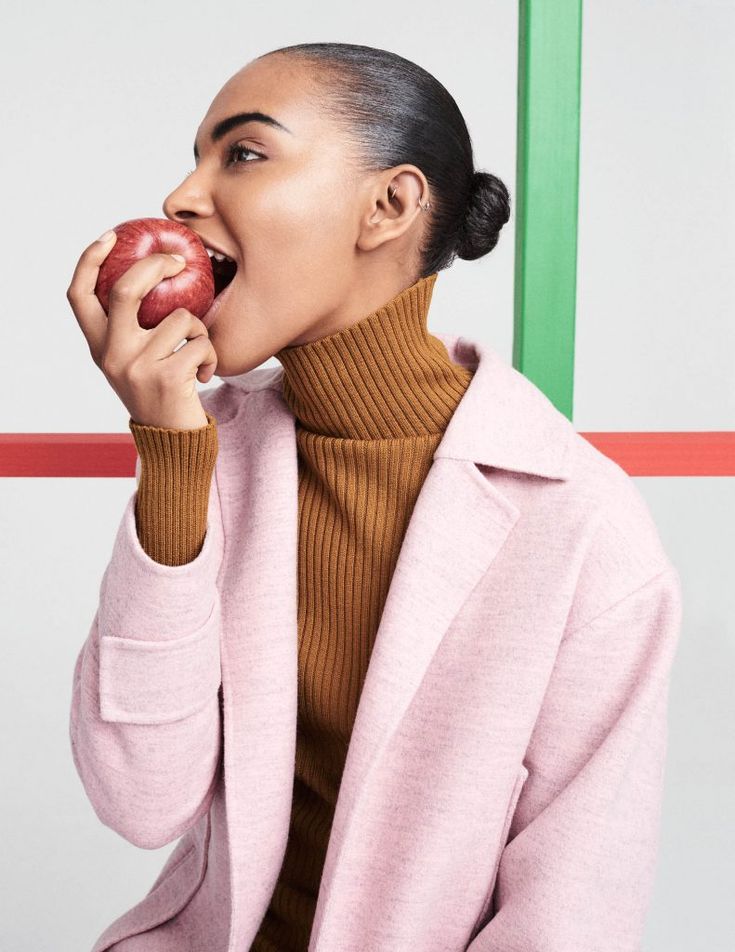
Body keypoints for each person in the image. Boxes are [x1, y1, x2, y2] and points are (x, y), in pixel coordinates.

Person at [66, 43, 681, 952]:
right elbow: (141, 800)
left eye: (240, 153)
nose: (181, 199)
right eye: (195, 157)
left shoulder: (583, 526)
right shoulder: (210, 459)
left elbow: (570, 915)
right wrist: (169, 460)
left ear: (387, 206)